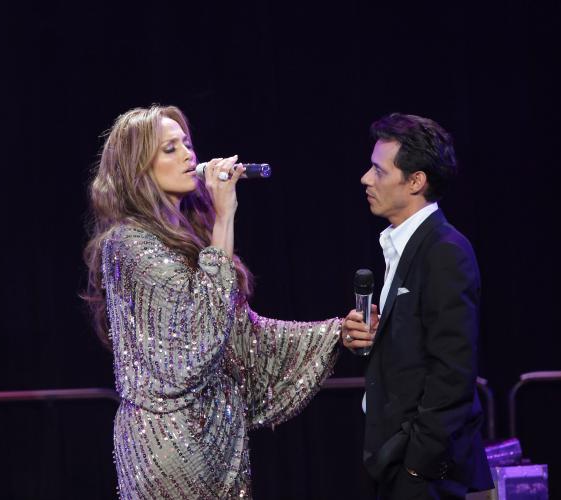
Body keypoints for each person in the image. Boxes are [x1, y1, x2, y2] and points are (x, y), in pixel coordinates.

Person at [83, 105, 342, 499]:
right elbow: (201, 332)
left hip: (218, 438)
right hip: (167, 443)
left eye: (186, 143)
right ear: (139, 168)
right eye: (170, 149)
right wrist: (225, 217)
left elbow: (242, 333)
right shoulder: (128, 243)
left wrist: (337, 331)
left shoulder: (193, 237)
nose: (189, 154)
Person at [341, 113, 494, 499]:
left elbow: (453, 375)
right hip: (392, 457)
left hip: (426, 472)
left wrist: (416, 466)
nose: (366, 178)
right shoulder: (401, 246)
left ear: (415, 181)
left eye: (379, 171)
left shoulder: (445, 251)